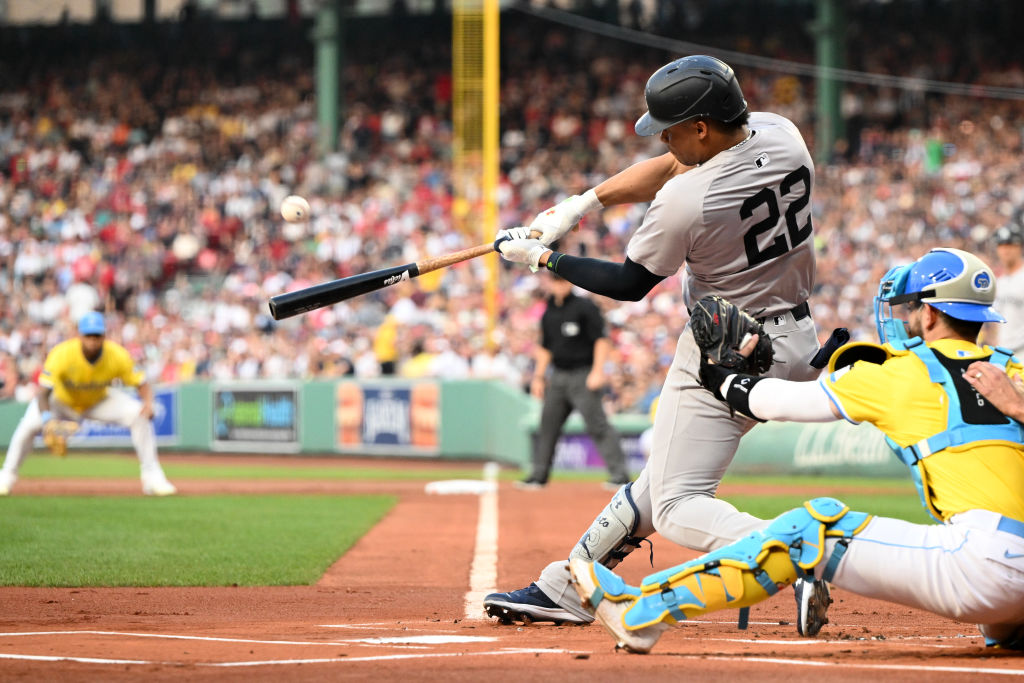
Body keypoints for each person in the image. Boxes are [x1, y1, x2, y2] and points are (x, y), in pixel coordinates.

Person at [485, 55, 829, 636]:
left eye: (671, 129)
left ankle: (793, 553)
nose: (663, 141)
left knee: (676, 504)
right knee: (663, 480)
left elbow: (629, 284)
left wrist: (544, 256)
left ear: (700, 127)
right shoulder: (780, 132)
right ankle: (569, 584)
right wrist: (578, 207)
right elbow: (672, 164)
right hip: (795, 340)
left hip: (724, 351)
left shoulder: (688, 199)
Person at [568, 247, 1024, 654]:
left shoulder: (900, 371)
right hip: (1009, 578)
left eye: (911, 309)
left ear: (928, 315)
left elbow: (778, 402)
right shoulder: (1014, 372)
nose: (905, 319)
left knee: (813, 525)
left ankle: (640, 611)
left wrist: (720, 378)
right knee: (1001, 615)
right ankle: (1009, 627)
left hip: (983, 564)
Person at [0, 312, 177, 497]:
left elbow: (141, 383)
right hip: (61, 401)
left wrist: (148, 404)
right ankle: (6, 476)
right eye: (89, 335)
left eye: (97, 335)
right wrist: (47, 420)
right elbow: (43, 393)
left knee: (138, 414)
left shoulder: (116, 354)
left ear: (104, 335)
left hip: (97, 401)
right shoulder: (62, 353)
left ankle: (153, 477)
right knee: (27, 425)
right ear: (79, 335)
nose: (93, 340)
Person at [519, 271, 629, 490]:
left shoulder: (584, 307)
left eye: (563, 280)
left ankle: (620, 476)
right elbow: (545, 347)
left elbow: (601, 340)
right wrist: (539, 377)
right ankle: (538, 476)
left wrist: (598, 371)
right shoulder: (549, 311)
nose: (560, 285)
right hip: (558, 375)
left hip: (583, 373)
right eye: (556, 281)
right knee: (547, 425)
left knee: (598, 424)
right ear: (550, 283)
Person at [986, 223, 1024, 357]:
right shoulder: (999, 282)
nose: (1005, 250)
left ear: (1019, 247)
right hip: (1003, 353)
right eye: (1001, 246)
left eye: (1010, 245)